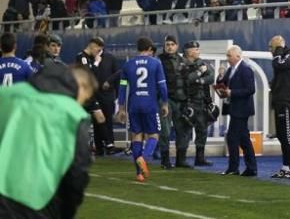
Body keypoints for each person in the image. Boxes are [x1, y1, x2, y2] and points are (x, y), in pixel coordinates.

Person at [0, 63, 97, 218]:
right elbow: (77, 172)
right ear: (82, 87)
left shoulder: (6, 94)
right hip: (35, 202)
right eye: (85, 99)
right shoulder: (73, 114)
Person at [116, 37, 169, 183]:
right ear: (150, 49)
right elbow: (162, 86)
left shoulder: (128, 65)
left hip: (133, 105)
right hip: (150, 104)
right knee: (154, 135)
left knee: (136, 137)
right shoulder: (156, 63)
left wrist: (121, 109)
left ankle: (139, 174)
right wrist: (165, 103)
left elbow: (122, 88)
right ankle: (143, 158)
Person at [217, 44, 257, 176]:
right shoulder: (231, 69)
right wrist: (220, 79)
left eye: (229, 56)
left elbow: (250, 90)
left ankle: (234, 168)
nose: (227, 58)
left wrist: (232, 92)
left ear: (238, 56)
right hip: (235, 108)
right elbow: (224, 83)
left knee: (233, 138)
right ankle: (250, 168)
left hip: (242, 109)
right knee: (243, 139)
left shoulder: (245, 70)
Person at [176, 41, 214, 168]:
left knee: (202, 130)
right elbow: (186, 80)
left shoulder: (201, 63)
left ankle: (200, 158)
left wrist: (199, 80)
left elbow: (211, 77)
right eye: (196, 49)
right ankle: (181, 159)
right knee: (185, 131)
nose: (198, 51)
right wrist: (198, 75)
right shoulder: (181, 64)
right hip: (187, 102)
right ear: (190, 51)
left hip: (201, 101)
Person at [75, 37, 114, 158]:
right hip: (83, 96)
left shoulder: (89, 58)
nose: (98, 53)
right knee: (81, 123)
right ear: (93, 46)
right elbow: (89, 74)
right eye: (98, 50)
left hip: (91, 96)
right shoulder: (81, 57)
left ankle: (109, 145)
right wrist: (96, 62)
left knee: (101, 117)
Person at [269, 35, 290, 179]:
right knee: (281, 136)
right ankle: (286, 167)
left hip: (287, 102)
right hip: (280, 101)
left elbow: (279, 64)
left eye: (271, 47)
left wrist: (279, 49)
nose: (270, 50)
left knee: (287, 136)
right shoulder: (280, 56)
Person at [157, 35, 186, 168]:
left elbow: (187, 81)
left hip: (181, 100)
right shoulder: (159, 60)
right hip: (166, 100)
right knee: (165, 131)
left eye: (172, 44)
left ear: (177, 46)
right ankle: (165, 160)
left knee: (182, 130)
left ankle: (181, 160)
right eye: (167, 44)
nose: (169, 47)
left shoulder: (182, 60)